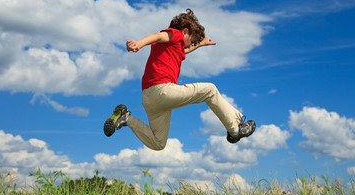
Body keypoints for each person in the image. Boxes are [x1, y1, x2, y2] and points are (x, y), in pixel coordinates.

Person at [103, 8, 256, 151]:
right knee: (210, 90)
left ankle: (126, 118)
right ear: (185, 31)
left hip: (150, 98)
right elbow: (158, 35)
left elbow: (184, 50)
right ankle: (235, 129)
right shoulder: (175, 34)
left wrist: (200, 44)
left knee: (158, 143)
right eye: (192, 39)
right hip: (162, 90)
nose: (191, 43)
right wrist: (139, 44)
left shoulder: (169, 47)